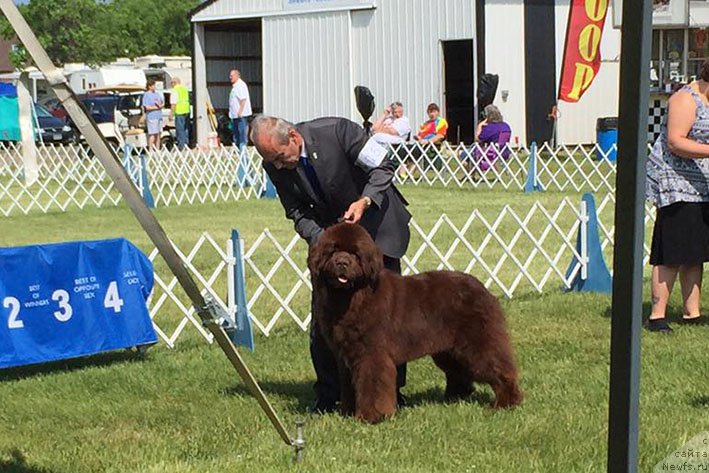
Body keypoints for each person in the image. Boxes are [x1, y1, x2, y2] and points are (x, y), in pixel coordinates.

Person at [249, 115, 411, 412]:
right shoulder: (273, 165)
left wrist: (364, 201)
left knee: (385, 320)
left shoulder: (338, 132)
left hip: (377, 227)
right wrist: (324, 241)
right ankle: (328, 394)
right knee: (325, 320)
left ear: (294, 138)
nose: (279, 166)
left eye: (281, 157)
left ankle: (392, 393)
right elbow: (296, 211)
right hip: (332, 244)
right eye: (271, 161)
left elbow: (384, 167)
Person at [645, 60, 709, 333]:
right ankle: (657, 315)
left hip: (701, 185)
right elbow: (676, 140)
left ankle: (692, 313)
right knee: (670, 251)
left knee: (695, 251)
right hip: (676, 183)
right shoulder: (685, 98)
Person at [462, 104, 512, 174]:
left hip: (490, 154)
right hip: (504, 153)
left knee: (463, 153)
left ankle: (470, 175)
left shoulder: (490, 128)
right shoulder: (506, 126)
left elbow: (478, 139)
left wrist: (480, 126)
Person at [228, 69, 253, 151]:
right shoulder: (235, 86)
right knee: (236, 134)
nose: (230, 77)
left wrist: (240, 111)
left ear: (237, 76)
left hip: (241, 115)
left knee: (241, 134)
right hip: (234, 115)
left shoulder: (240, 85)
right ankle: (238, 149)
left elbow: (243, 99)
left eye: (232, 76)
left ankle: (243, 151)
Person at [142, 79, 164, 149]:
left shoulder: (157, 94)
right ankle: (151, 150)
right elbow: (146, 107)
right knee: (153, 134)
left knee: (158, 133)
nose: (155, 87)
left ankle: (157, 149)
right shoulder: (146, 95)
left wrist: (160, 106)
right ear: (149, 86)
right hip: (152, 117)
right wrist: (156, 107)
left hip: (159, 116)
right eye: (153, 85)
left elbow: (161, 104)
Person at [170, 77, 190, 150]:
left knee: (180, 129)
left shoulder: (175, 90)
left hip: (179, 112)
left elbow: (173, 103)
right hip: (187, 111)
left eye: (171, 83)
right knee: (186, 129)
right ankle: (186, 143)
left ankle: (181, 146)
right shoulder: (184, 89)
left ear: (174, 83)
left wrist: (171, 114)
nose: (171, 84)